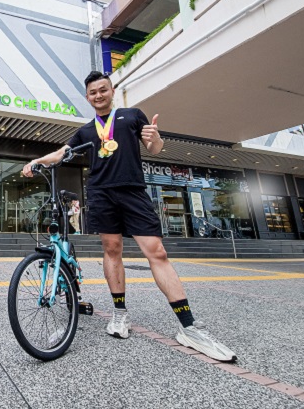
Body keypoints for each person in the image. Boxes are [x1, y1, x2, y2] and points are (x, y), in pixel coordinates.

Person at [22, 71, 236, 362]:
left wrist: (156, 138)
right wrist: (36, 160)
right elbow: (62, 153)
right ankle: (120, 314)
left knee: (156, 252)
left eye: (103, 90)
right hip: (100, 193)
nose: (98, 95)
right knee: (112, 251)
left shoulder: (132, 116)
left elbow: (154, 148)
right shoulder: (86, 131)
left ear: (112, 91)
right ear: (87, 98)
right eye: (93, 92)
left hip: (133, 191)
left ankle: (189, 327)